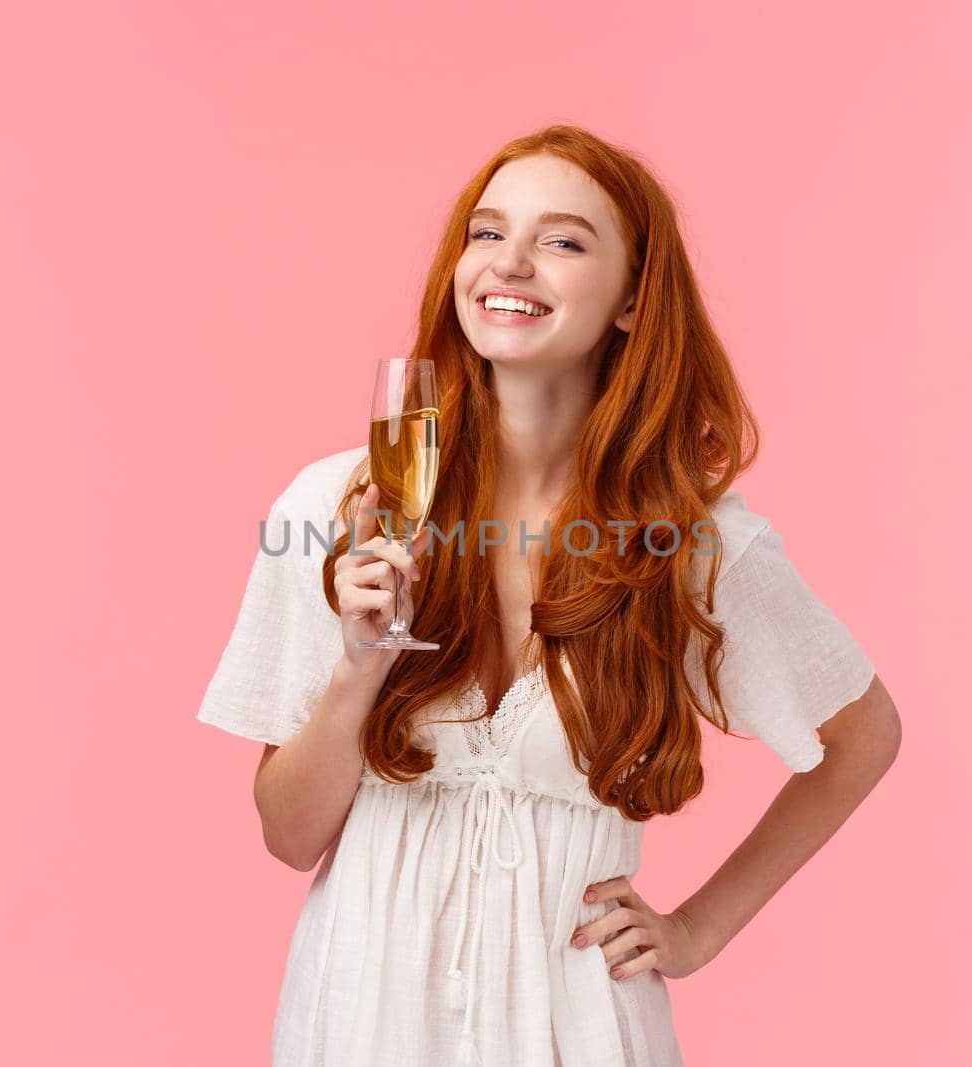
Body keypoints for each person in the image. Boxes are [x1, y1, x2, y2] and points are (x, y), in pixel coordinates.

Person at [197, 124, 902, 1066]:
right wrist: (356, 673)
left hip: (574, 1027)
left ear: (630, 301)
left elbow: (864, 735)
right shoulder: (339, 507)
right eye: (486, 234)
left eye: (564, 241)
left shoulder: (690, 540)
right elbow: (289, 836)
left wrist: (699, 928)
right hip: (361, 1018)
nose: (510, 263)